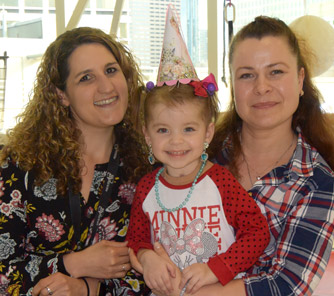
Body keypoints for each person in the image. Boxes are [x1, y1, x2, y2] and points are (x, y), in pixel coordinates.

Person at [0, 27, 151, 296]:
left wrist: (86, 288)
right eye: (86, 78)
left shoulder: (147, 168)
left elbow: (159, 273)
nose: (107, 86)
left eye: (111, 70)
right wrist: (71, 264)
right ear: (61, 95)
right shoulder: (24, 166)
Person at [126, 6, 270, 296]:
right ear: (147, 135)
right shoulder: (146, 189)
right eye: (163, 130)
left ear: (208, 132)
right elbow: (136, 239)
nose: (176, 141)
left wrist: (216, 268)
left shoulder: (221, 183)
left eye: (188, 129)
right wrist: (147, 259)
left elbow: (257, 233)